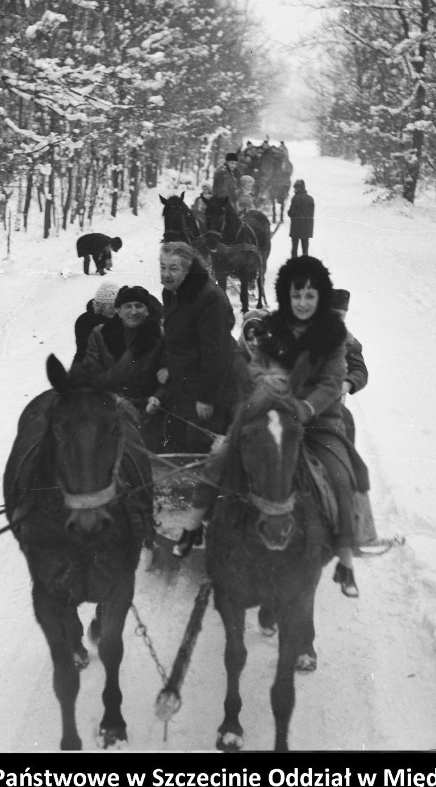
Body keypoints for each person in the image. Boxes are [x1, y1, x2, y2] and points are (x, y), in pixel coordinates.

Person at [177, 257, 370, 598]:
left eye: (311, 296)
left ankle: (344, 552)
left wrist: (307, 405)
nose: (303, 303)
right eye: (297, 296)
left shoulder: (333, 334)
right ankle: (193, 524)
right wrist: (269, 381)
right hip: (269, 408)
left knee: (343, 472)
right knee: (221, 454)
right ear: (286, 295)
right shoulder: (271, 328)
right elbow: (254, 366)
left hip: (316, 416)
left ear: (320, 298)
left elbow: (331, 381)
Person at [145, 241, 237, 454]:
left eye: (173, 268)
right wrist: (167, 365)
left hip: (208, 387)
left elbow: (215, 352)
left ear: (188, 269)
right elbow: (174, 336)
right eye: (162, 267)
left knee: (199, 443)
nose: (166, 274)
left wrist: (207, 399)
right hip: (181, 384)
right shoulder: (170, 292)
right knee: (171, 439)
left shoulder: (209, 298)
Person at [74, 285, 163, 407]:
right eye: (128, 306)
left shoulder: (160, 336)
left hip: (149, 407)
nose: (133, 311)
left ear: (147, 310)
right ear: (119, 311)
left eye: (139, 306)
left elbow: (170, 375)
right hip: (111, 407)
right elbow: (92, 372)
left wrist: (157, 398)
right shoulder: (100, 334)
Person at [331, 288, 368, 444]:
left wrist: (348, 383)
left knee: (345, 425)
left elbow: (360, 371)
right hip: (297, 401)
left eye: (340, 315)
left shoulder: (349, 342)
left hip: (330, 407)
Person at [73, 280, 119, 365]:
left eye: (117, 306)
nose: (114, 310)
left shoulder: (120, 320)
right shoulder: (84, 321)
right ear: (101, 305)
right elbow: (83, 351)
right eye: (111, 306)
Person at [287, 179, 314, 258]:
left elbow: (291, 212)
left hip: (296, 227)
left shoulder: (295, 198)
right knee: (305, 248)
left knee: (294, 249)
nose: (294, 190)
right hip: (307, 227)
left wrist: (289, 213)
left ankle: (293, 263)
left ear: (298, 188)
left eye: (295, 188)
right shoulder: (310, 198)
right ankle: (305, 264)